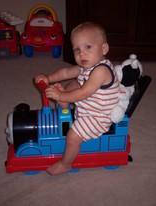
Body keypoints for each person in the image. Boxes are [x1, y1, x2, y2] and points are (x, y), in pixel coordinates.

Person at [35, 22, 120, 175]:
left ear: (104, 49)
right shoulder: (86, 67)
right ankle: (65, 101)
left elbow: (83, 93)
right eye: (77, 49)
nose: (82, 54)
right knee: (75, 80)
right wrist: (48, 78)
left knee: (73, 136)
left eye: (88, 47)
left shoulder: (101, 70)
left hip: (98, 116)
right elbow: (66, 72)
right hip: (89, 105)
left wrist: (60, 95)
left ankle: (66, 163)